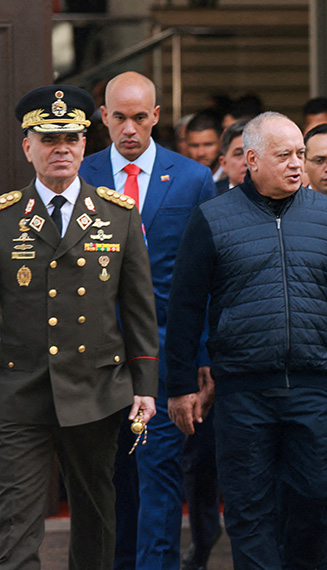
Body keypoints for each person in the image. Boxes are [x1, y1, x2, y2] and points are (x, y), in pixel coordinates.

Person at [164, 112, 327, 569]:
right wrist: (180, 384)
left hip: (310, 388)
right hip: (243, 392)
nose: (297, 165)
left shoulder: (326, 216)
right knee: (250, 512)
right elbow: (185, 306)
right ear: (250, 159)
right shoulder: (212, 217)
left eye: (301, 155)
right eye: (284, 155)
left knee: (317, 500)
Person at [0, 85, 158, 570]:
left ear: (86, 143)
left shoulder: (117, 215)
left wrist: (145, 385)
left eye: (71, 137)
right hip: (19, 391)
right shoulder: (5, 219)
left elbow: (138, 310)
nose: (61, 148)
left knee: (96, 520)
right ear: (27, 146)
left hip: (96, 390)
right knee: (16, 523)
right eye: (48, 139)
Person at [78, 71, 217, 570]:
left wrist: (200, 359)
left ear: (157, 116)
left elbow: (204, 278)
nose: (130, 129)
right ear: (103, 118)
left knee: (159, 477)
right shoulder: (83, 173)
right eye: (119, 118)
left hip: (162, 354)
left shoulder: (192, 178)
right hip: (93, 359)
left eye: (140, 117)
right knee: (106, 478)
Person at [186, 110, 225, 182]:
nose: (201, 153)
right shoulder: (181, 180)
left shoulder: (235, 178)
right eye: (194, 146)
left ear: (221, 142)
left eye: (208, 145)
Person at [216, 119, 248, 193]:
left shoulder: (278, 198)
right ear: (224, 163)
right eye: (238, 154)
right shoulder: (209, 197)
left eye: (253, 154)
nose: (247, 162)